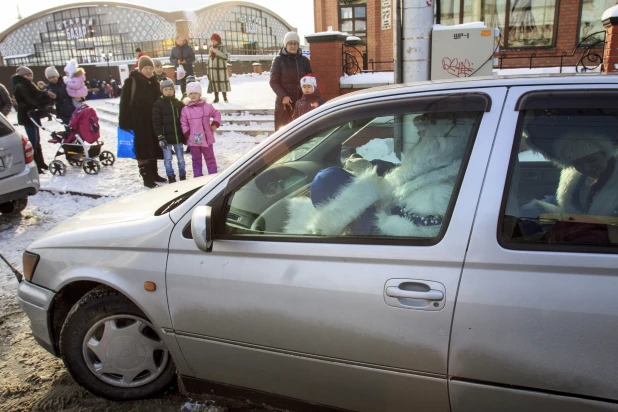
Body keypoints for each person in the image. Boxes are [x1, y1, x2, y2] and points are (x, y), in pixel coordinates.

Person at [283, 112, 474, 237]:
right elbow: (409, 175)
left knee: (327, 180)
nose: (418, 142)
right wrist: (376, 168)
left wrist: (361, 209)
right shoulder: (442, 166)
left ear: (442, 143)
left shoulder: (439, 193)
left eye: (423, 135)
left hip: (380, 245)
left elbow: (409, 236)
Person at [525, 130, 618, 217]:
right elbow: (567, 202)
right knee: (529, 209)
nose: (587, 168)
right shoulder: (574, 177)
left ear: (605, 154)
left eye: (592, 160)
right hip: (576, 218)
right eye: (578, 163)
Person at [119, 56, 165, 188]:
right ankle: (146, 177)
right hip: (138, 122)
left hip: (152, 122)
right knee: (142, 150)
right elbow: (124, 103)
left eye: (151, 68)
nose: (149, 71)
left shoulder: (155, 82)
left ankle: (154, 174)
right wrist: (124, 123)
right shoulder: (132, 82)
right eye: (146, 68)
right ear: (140, 69)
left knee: (153, 148)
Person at [12, 66, 53, 173]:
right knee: (33, 141)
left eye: (31, 75)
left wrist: (44, 94)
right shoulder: (21, 85)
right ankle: (36, 165)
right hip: (28, 115)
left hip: (33, 114)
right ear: (22, 76)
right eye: (27, 75)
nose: (30, 77)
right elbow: (30, 99)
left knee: (37, 140)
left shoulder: (28, 84)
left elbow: (36, 96)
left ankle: (40, 162)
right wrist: (42, 100)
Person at [270, 31, 312, 130]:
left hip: (301, 102)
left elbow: (310, 79)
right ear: (285, 44)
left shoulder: (304, 61)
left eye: (295, 43)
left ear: (298, 45)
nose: (292, 46)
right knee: (284, 133)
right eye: (290, 43)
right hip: (284, 104)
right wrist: (283, 96)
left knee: (301, 131)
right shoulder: (279, 61)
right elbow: (273, 81)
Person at [181, 81, 220, 177]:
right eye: (191, 94)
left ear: (199, 94)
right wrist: (187, 132)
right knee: (196, 160)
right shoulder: (185, 109)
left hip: (207, 138)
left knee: (210, 158)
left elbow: (216, 114)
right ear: (188, 95)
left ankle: (213, 176)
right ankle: (198, 178)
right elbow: (183, 122)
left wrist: (214, 124)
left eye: (195, 93)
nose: (193, 96)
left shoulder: (207, 106)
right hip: (194, 139)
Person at [152, 79, 186, 183]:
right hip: (165, 138)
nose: (168, 91)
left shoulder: (178, 103)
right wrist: (160, 136)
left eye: (170, 89)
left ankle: (182, 174)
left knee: (180, 158)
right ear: (162, 91)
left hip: (177, 137)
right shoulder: (158, 104)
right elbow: (156, 122)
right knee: (168, 159)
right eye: (166, 89)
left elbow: (184, 118)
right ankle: (170, 175)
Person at [206, 33, 231, 103]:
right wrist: (208, 71)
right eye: (212, 40)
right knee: (214, 83)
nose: (213, 42)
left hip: (220, 69)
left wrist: (216, 52)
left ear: (218, 40)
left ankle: (225, 98)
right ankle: (216, 98)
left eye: (214, 40)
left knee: (222, 83)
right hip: (212, 70)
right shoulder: (211, 48)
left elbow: (225, 56)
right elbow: (209, 60)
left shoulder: (222, 47)